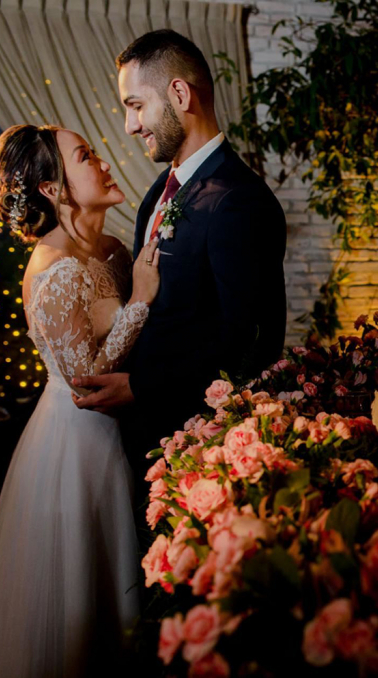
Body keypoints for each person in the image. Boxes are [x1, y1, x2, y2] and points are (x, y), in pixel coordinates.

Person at [0, 124, 158, 678]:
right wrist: (140, 301)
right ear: (53, 189)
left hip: (129, 430)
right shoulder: (52, 269)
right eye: (84, 156)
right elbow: (87, 382)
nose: (101, 163)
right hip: (77, 444)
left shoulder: (114, 250)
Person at [71, 29, 287, 489]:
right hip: (136, 439)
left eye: (135, 106)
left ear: (180, 93)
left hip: (190, 449)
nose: (130, 126)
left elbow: (251, 340)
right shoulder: (158, 191)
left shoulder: (240, 200)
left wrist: (141, 387)